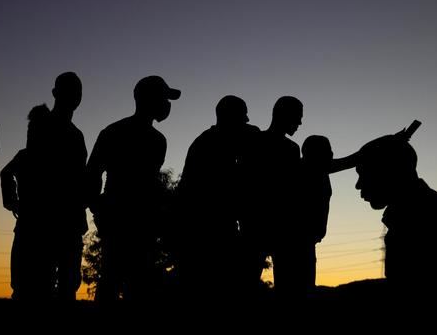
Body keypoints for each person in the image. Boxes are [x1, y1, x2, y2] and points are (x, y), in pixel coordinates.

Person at [86, 75, 180, 302]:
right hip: (120, 220)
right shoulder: (115, 132)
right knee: (112, 280)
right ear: (149, 99)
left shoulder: (158, 140)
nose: (167, 105)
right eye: (164, 99)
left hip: (144, 223)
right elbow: (92, 174)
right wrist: (99, 208)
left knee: (138, 285)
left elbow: (150, 183)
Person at [1, 72, 88, 301]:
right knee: (31, 288)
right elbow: (14, 170)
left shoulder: (76, 136)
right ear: (55, 93)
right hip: (39, 225)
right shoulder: (43, 126)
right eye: (70, 91)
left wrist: (80, 218)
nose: (75, 97)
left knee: (64, 287)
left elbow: (79, 180)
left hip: (63, 225)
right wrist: (13, 200)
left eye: (77, 92)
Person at [176, 95, 259, 301]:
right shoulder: (207, 144)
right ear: (230, 117)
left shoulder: (219, 141)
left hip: (219, 227)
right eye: (243, 116)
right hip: (205, 229)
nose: (247, 120)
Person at [355, 132, 437, 297]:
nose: (358, 185)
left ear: (390, 172)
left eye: (364, 174)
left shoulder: (422, 219)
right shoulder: (420, 211)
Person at [240, 96, 303, 296]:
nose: (300, 123)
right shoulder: (255, 141)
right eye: (298, 117)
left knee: (284, 285)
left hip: (277, 226)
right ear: (284, 115)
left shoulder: (291, 148)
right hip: (258, 224)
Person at [296, 135, 358, 293]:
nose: (332, 154)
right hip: (296, 243)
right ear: (314, 153)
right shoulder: (305, 170)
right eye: (328, 150)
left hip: (307, 243)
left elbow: (354, 159)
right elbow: (353, 159)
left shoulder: (319, 170)